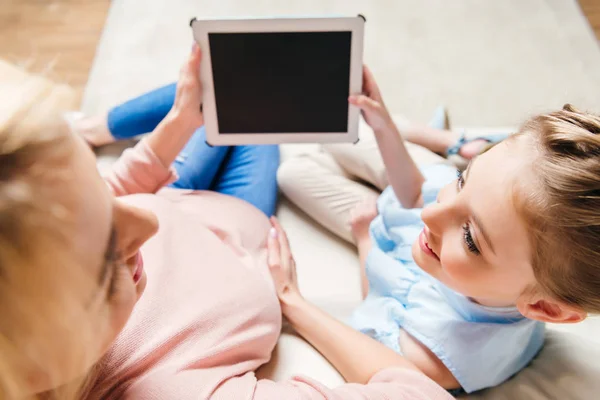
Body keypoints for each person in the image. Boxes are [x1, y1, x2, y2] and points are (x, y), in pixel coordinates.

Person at [0, 45, 454, 399]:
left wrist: (176, 125)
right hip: (245, 216)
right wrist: (294, 302)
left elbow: (107, 201)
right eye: (106, 261)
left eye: (99, 190)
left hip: (182, 194)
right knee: (247, 90)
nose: (144, 217)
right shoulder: (169, 390)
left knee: (222, 86)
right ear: (35, 362)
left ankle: (98, 130)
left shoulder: (66, 247)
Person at [278, 65, 600, 393]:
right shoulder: (453, 220)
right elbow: (420, 195)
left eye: (470, 239)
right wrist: (384, 126)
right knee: (346, 128)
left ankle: (445, 144)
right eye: (463, 180)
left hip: (385, 231)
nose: (430, 214)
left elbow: (379, 295)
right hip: (409, 194)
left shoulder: (435, 356)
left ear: (545, 308)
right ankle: (450, 144)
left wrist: (361, 242)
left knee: (292, 173)